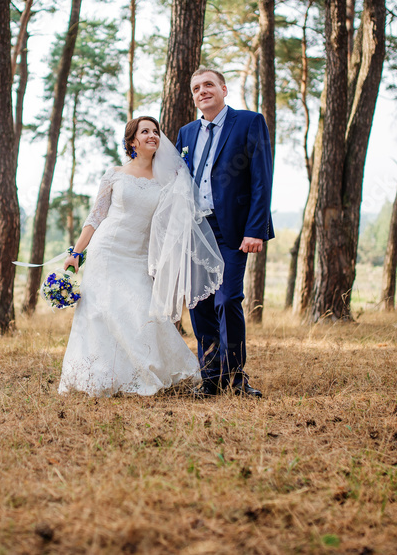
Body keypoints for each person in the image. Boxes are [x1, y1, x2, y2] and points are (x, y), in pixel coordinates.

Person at [58, 116, 224, 397]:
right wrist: (76, 252)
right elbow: (95, 216)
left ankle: (143, 372)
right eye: (144, 131)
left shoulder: (169, 179)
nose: (152, 135)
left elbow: (176, 221)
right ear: (132, 141)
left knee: (139, 310)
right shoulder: (115, 174)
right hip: (106, 250)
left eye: (155, 131)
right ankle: (99, 375)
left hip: (138, 255)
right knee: (100, 312)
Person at [175, 67, 274, 397]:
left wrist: (256, 229)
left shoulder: (249, 122)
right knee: (200, 303)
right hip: (195, 230)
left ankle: (235, 377)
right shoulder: (186, 133)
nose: (202, 91)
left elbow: (261, 179)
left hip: (232, 229)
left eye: (208, 85)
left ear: (223, 89)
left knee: (228, 298)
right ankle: (211, 378)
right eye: (196, 88)